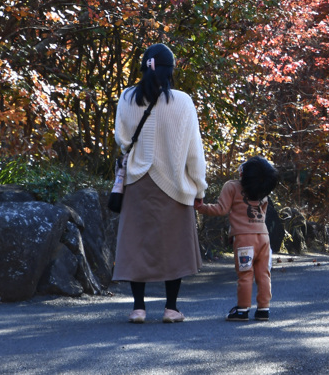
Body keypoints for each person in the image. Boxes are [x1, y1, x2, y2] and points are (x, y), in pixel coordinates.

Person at [113, 43, 207, 324]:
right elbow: (194, 151)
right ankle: (171, 308)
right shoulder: (183, 101)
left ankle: (138, 308)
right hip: (174, 183)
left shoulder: (127, 97)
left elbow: (123, 140)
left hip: (137, 182)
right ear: (170, 72)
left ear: (144, 67)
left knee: (136, 244)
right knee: (173, 246)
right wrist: (200, 188)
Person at [195, 156, 279, 321]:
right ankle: (264, 308)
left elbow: (221, 209)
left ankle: (242, 309)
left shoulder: (232, 186)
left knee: (245, 274)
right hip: (263, 237)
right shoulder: (263, 190)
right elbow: (262, 211)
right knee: (263, 274)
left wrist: (201, 207)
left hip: (244, 239)